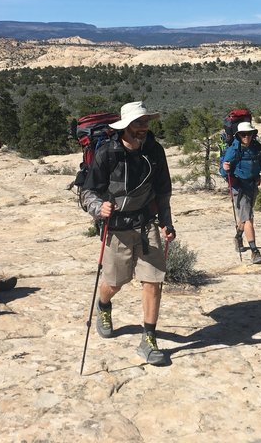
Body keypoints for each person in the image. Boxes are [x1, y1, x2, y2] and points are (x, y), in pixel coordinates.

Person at [80, 101, 176, 366]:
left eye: (145, 122)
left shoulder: (155, 151)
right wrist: (100, 208)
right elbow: (87, 192)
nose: (143, 127)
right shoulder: (107, 153)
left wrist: (166, 222)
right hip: (117, 228)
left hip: (146, 224)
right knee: (115, 282)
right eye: (138, 123)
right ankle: (104, 305)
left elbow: (163, 192)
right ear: (126, 126)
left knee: (153, 281)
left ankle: (148, 339)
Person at [221, 121, 261, 265]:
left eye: (249, 134)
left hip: (252, 185)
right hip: (239, 187)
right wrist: (225, 168)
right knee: (248, 218)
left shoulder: (257, 148)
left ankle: (238, 237)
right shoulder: (233, 149)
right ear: (238, 135)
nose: (246, 137)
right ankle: (255, 252)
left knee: (245, 217)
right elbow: (223, 171)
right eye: (243, 134)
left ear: (253, 134)